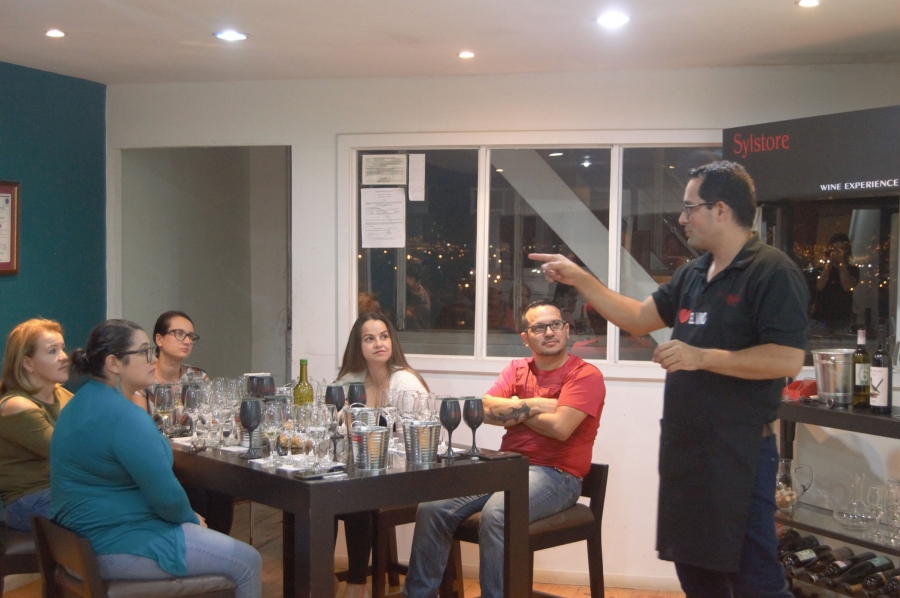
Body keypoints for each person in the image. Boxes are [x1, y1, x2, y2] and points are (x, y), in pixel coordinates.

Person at [530, 160, 809, 597]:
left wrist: (702, 356)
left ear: (721, 209)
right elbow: (639, 318)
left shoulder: (771, 271)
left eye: (690, 207)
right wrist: (581, 279)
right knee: (694, 571)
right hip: (685, 448)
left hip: (738, 451)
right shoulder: (693, 273)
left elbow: (787, 358)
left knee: (754, 579)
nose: (682, 218)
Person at [404, 299, 605, 598]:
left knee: (498, 512)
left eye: (555, 324)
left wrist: (513, 410)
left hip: (557, 476)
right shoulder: (516, 368)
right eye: (539, 327)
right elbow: (483, 410)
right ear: (526, 337)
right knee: (432, 508)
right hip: (507, 467)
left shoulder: (585, 375)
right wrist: (536, 405)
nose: (549, 332)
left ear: (566, 329)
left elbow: (560, 428)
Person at [51, 319, 262, 598]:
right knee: (248, 561)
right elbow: (167, 499)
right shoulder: (125, 416)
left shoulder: (80, 402)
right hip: (114, 543)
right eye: (143, 352)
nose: (152, 359)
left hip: (76, 542)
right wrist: (190, 517)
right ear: (113, 363)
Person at [336, 312, 429, 598]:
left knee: (357, 494)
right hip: (364, 474)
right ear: (359, 346)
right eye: (370, 338)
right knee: (322, 493)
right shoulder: (350, 380)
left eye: (384, 336)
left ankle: (356, 585)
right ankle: (320, 576)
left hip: (404, 476)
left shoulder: (405, 382)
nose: (379, 343)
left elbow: (422, 438)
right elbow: (334, 427)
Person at [0, 318, 71, 531]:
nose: (64, 357)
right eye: (52, 351)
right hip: (27, 501)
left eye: (63, 348)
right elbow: (68, 453)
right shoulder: (16, 405)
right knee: (107, 511)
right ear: (28, 363)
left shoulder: (63, 395)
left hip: (61, 491)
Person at [130, 310, 207, 415]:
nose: (188, 342)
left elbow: (210, 420)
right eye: (179, 334)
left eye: (190, 336)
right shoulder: (141, 379)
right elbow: (140, 424)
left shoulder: (198, 377)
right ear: (159, 339)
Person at [810, 232, 858, 335]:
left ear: (847, 251)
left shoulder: (853, 270)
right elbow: (819, 286)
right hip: (820, 319)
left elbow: (847, 287)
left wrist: (842, 264)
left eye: (842, 249)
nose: (838, 252)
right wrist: (829, 265)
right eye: (835, 249)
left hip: (842, 320)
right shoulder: (820, 269)